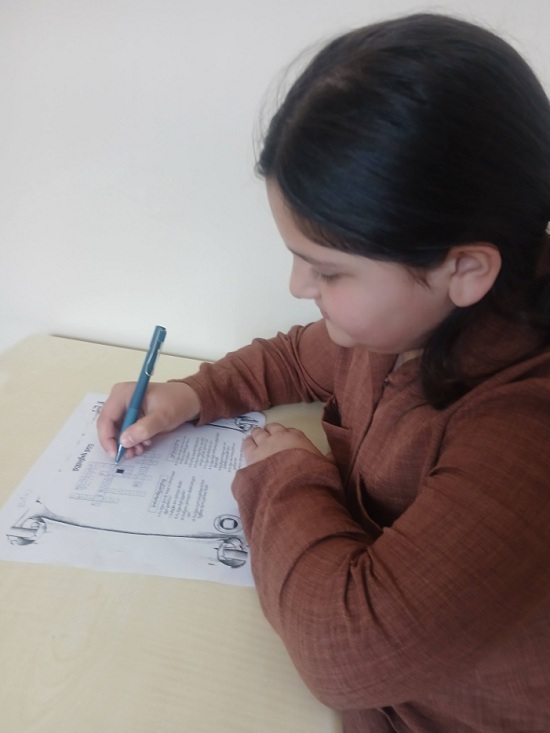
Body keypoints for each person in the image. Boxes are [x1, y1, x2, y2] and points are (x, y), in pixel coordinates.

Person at [98, 13, 550, 732]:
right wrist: (190, 393)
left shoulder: (524, 434)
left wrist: (286, 474)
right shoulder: (416, 322)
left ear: (464, 268)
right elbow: (296, 356)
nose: (297, 286)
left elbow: (347, 653)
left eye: (328, 270)